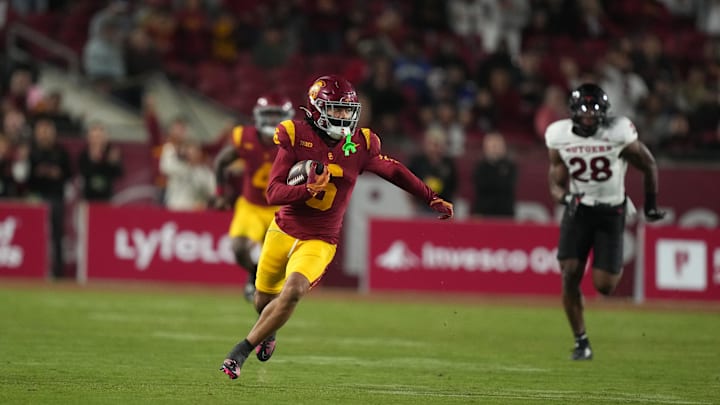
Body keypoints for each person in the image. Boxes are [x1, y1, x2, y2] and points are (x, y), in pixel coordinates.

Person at [220, 75, 454, 380]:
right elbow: (273, 192)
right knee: (262, 300)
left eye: (347, 110)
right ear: (317, 108)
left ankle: (240, 351)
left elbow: (394, 171)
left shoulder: (360, 143)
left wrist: (430, 197)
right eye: (336, 109)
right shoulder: (295, 133)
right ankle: (269, 332)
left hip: (320, 238)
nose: (343, 116)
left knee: (292, 292)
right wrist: (307, 191)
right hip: (283, 229)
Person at [545, 83, 665, 361]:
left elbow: (648, 164)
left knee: (605, 285)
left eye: (594, 112)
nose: (589, 118)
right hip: (579, 210)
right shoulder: (558, 135)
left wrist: (651, 203)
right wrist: (564, 198)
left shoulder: (618, 131)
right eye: (584, 112)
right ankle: (581, 341)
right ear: (573, 112)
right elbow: (555, 180)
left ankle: (583, 335)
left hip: (612, 212)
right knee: (569, 274)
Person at [212, 93, 294, 301]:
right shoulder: (245, 137)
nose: (274, 121)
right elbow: (221, 161)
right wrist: (220, 194)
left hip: (281, 207)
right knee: (239, 248)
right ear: (258, 116)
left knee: (284, 257)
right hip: (252, 205)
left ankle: (267, 287)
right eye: (270, 115)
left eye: (279, 116)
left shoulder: (296, 140)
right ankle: (254, 274)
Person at [472, 131, 517, 218]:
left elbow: (508, 185)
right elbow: (482, 186)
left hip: (505, 214)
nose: (495, 148)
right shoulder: (480, 167)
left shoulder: (510, 167)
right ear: (485, 147)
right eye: (492, 145)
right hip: (484, 213)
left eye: (497, 145)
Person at [77, 122, 124, 201]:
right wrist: (93, 160)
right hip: (89, 197)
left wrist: (113, 163)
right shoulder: (84, 155)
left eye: (99, 137)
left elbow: (119, 173)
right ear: (89, 138)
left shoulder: (111, 153)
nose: (97, 140)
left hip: (106, 197)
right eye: (94, 137)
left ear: (105, 138)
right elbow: (83, 173)